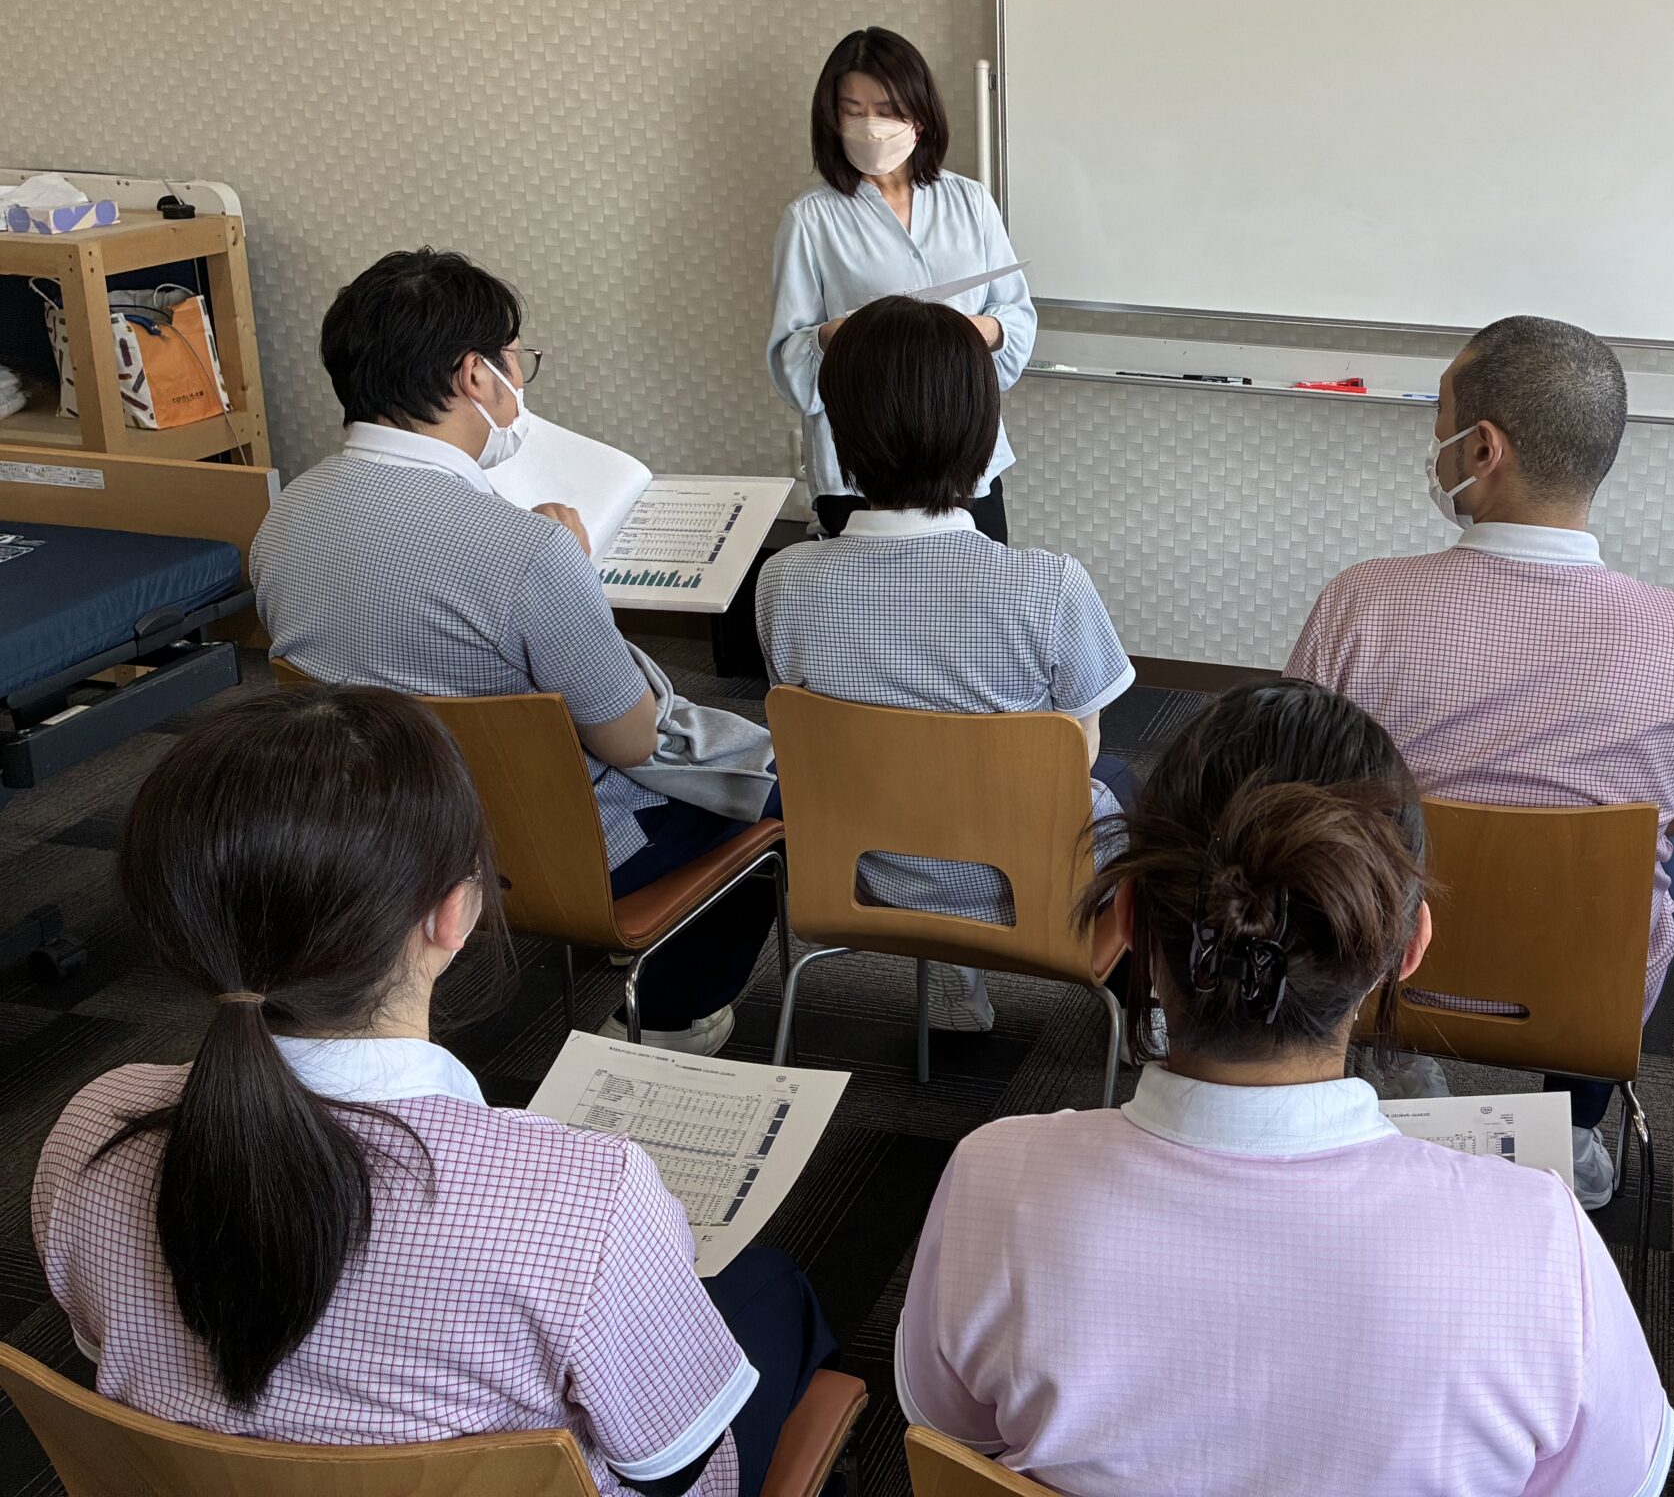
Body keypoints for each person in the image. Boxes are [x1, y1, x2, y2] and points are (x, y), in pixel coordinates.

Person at [31, 687, 835, 1497]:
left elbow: (110, 1356)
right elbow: (671, 1465)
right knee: (775, 1293)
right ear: (453, 914)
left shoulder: (92, 1129)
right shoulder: (591, 1198)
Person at [895, 679, 1674, 1495]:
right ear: (1409, 949)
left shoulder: (992, 1182)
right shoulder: (1541, 1248)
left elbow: (953, 1430)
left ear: (1126, 919)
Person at [251, 248, 778, 1055]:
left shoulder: (282, 520)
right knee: (781, 795)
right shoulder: (526, 550)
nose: (517, 381)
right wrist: (577, 585)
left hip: (370, 842)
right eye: (514, 360)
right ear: (474, 375)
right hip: (542, 849)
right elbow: (630, 738)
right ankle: (671, 1019)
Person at [1284, 313, 1674, 1209]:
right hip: (1582, 985)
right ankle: (1572, 1125)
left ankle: (1396, 1068)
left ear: (1483, 448)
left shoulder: (1360, 602)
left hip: (1385, 958)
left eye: (1441, 425)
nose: (1435, 447)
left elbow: (1288, 783)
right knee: (1672, 857)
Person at [759, 294, 1135, 1029]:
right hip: (1024, 886)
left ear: (839, 430)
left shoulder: (784, 581)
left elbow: (809, 731)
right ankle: (1145, 1018)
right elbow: (1079, 748)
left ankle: (954, 980)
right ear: (982, 428)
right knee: (1122, 782)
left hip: (865, 875)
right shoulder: (1047, 584)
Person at [768, 26, 1034, 542]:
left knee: (979, 589)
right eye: (853, 110)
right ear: (831, 118)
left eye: (887, 109)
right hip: (859, 472)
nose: (871, 126)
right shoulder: (810, 219)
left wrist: (981, 330)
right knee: (862, 596)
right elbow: (789, 365)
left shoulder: (970, 201)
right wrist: (836, 336)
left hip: (966, 461)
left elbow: (1018, 321)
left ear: (919, 114)